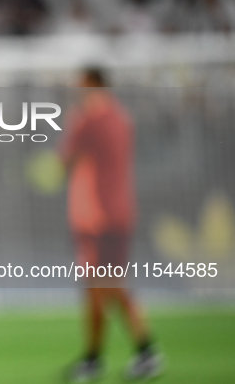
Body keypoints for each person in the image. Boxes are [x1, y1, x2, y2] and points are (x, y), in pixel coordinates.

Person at [60, 67, 162, 382]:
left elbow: (65, 158)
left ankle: (100, 358)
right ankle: (139, 352)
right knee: (112, 284)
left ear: (92, 83)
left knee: (99, 287)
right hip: (121, 211)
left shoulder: (87, 117)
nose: (75, 88)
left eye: (80, 83)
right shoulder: (122, 116)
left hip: (95, 214)